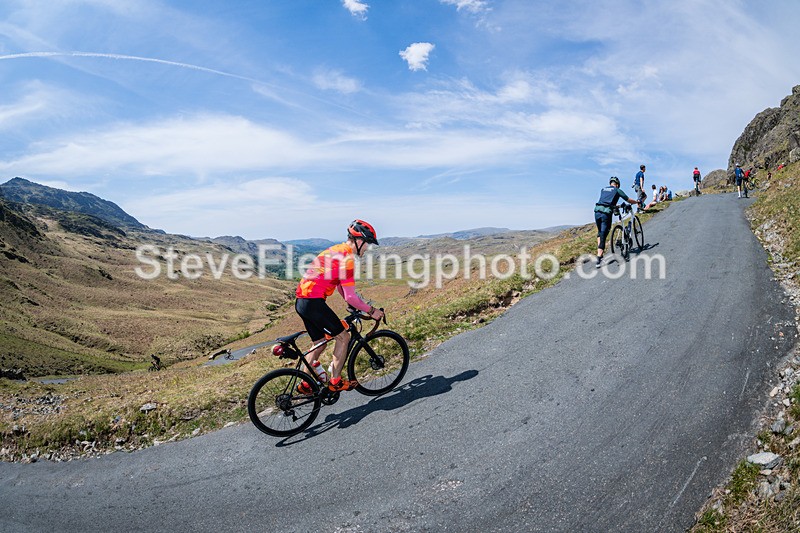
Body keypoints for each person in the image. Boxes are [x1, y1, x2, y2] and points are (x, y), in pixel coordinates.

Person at [295, 219, 385, 392]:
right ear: (359, 241)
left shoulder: (336, 250)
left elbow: (339, 286)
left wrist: (351, 304)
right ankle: (335, 382)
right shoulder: (347, 259)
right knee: (343, 338)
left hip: (302, 302)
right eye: (367, 244)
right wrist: (372, 311)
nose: (367, 248)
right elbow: (351, 295)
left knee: (319, 343)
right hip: (313, 302)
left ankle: (306, 384)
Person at [595, 176, 640, 267]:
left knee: (600, 233)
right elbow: (628, 199)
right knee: (604, 233)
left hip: (597, 211)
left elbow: (606, 202)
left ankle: (600, 253)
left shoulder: (603, 189)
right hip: (606, 213)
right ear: (617, 184)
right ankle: (599, 259)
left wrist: (617, 206)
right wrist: (636, 202)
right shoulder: (617, 190)